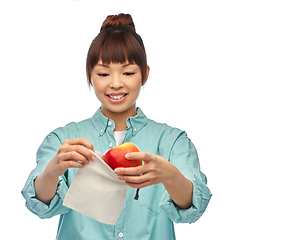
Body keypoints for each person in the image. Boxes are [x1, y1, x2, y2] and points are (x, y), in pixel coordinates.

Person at [22, 13, 212, 240]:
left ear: (145, 74)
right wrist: (53, 170)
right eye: (103, 73)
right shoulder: (64, 139)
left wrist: (169, 175)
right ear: (90, 76)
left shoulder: (172, 141)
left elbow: (194, 208)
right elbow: (38, 205)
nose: (115, 83)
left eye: (128, 72)